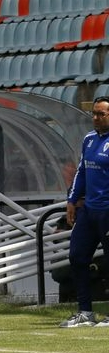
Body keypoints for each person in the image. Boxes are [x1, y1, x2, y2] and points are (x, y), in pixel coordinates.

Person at [59, 97, 109, 327]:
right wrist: (72, 199)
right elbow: (81, 171)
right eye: (94, 114)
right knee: (77, 257)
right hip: (89, 210)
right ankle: (85, 312)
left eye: (102, 114)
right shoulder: (89, 139)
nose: (96, 118)